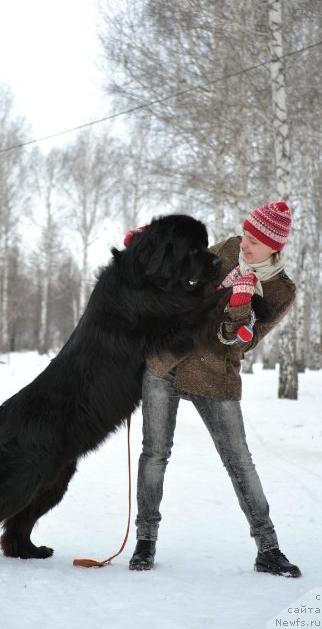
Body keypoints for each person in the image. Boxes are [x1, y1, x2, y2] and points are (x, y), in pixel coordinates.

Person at [127, 201, 301, 577]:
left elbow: (240, 343)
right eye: (246, 235)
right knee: (155, 453)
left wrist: (239, 304)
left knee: (239, 461)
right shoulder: (229, 247)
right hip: (166, 362)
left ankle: (268, 549)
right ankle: (145, 540)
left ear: (275, 247)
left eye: (256, 241)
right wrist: (145, 251)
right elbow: (181, 274)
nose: (245, 245)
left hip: (215, 375)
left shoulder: (281, 290)